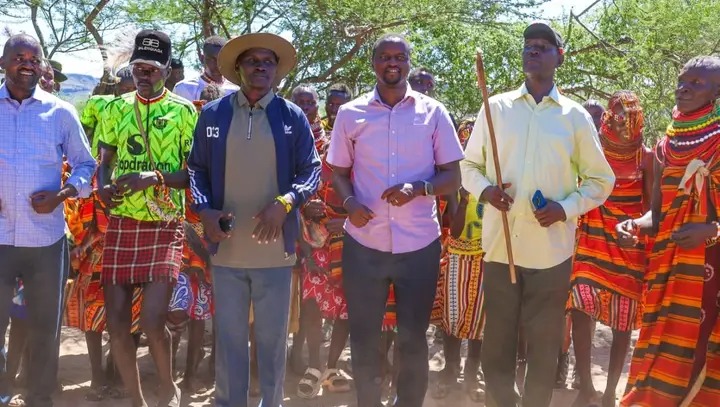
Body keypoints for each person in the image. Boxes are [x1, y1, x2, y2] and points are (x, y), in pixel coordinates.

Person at [460, 22, 615, 407]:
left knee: (544, 345)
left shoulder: (575, 116)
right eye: (529, 45)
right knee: (498, 341)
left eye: (544, 46)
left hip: (551, 252)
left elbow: (601, 180)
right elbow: (468, 166)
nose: (534, 50)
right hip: (501, 247)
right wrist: (486, 191)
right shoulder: (494, 107)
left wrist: (565, 209)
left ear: (558, 57)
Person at [327, 33, 464, 407]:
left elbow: (453, 175)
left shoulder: (433, 112)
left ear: (407, 62)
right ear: (373, 63)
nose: (392, 63)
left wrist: (419, 187)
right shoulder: (350, 113)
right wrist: (350, 201)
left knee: (413, 338)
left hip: (418, 245)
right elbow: (338, 171)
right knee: (365, 337)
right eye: (385, 56)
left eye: (399, 57)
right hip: (364, 244)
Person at [187, 32, 321, 407]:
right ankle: (229, 401)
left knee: (272, 339)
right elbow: (196, 169)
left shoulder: (291, 116)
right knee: (229, 338)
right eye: (252, 61)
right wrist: (204, 210)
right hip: (226, 250)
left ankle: (272, 402)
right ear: (238, 68)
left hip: (275, 252)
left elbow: (311, 170)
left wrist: (286, 202)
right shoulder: (214, 114)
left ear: (277, 71)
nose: (260, 67)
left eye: (268, 62)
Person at [95, 29, 197, 407]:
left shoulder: (184, 113)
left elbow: (194, 174)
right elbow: (105, 161)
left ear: (167, 71)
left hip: (165, 223)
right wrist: (104, 187)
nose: (144, 74)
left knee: (154, 322)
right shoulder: (114, 109)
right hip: (123, 223)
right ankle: (137, 401)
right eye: (138, 67)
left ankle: (166, 389)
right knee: (118, 327)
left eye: (152, 69)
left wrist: (154, 178)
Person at [617, 55, 720, 407]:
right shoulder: (666, 146)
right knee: (666, 353)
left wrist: (712, 230)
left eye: (697, 83)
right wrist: (636, 225)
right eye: (682, 80)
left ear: (717, 93)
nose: (684, 87)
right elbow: (658, 214)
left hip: (712, 270)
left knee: (704, 350)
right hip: (671, 270)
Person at [0, 34, 96, 407]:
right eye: (18, 56)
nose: (26, 63)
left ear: (42, 66)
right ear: (4, 61)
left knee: (44, 326)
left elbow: (87, 165)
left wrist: (62, 194)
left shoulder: (60, 113)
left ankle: (40, 396)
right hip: (0, 238)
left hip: (45, 239)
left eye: (34, 58)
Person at [568, 91, 653, 407]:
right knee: (581, 303)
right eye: (616, 113)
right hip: (592, 238)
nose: (622, 120)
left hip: (627, 244)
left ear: (638, 118)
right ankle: (585, 385)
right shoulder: (593, 150)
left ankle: (608, 393)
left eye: (628, 114)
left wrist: (636, 228)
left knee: (622, 323)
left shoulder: (645, 157)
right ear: (607, 117)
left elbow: (651, 206)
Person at [287, 84, 352, 399]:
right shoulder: (314, 145)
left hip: (349, 236)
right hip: (314, 237)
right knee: (312, 303)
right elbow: (300, 184)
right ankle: (314, 366)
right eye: (333, 104)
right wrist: (304, 208)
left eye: (343, 105)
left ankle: (331, 367)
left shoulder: (358, 145)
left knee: (344, 306)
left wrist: (351, 219)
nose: (336, 110)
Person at [430, 119, 486, 403]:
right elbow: (455, 228)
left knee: (480, 317)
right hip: (458, 254)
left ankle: (472, 371)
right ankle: (450, 371)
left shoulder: (492, 178)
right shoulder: (455, 182)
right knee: (453, 316)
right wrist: (464, 200)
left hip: (487, 255)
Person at [81, 66, 135, 154]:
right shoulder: (98, 102)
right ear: (116, 86)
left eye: (135, 89)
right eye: (125, 89)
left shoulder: (145, 108)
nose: (129, 94)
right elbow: (83, 131)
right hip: (99, 160)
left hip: (128, 161)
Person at [173, 36, 239, 101]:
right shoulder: (183, 88)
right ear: (202, 58)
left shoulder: (235, 90)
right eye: (212, 59)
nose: (217, 64)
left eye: (221, 59)